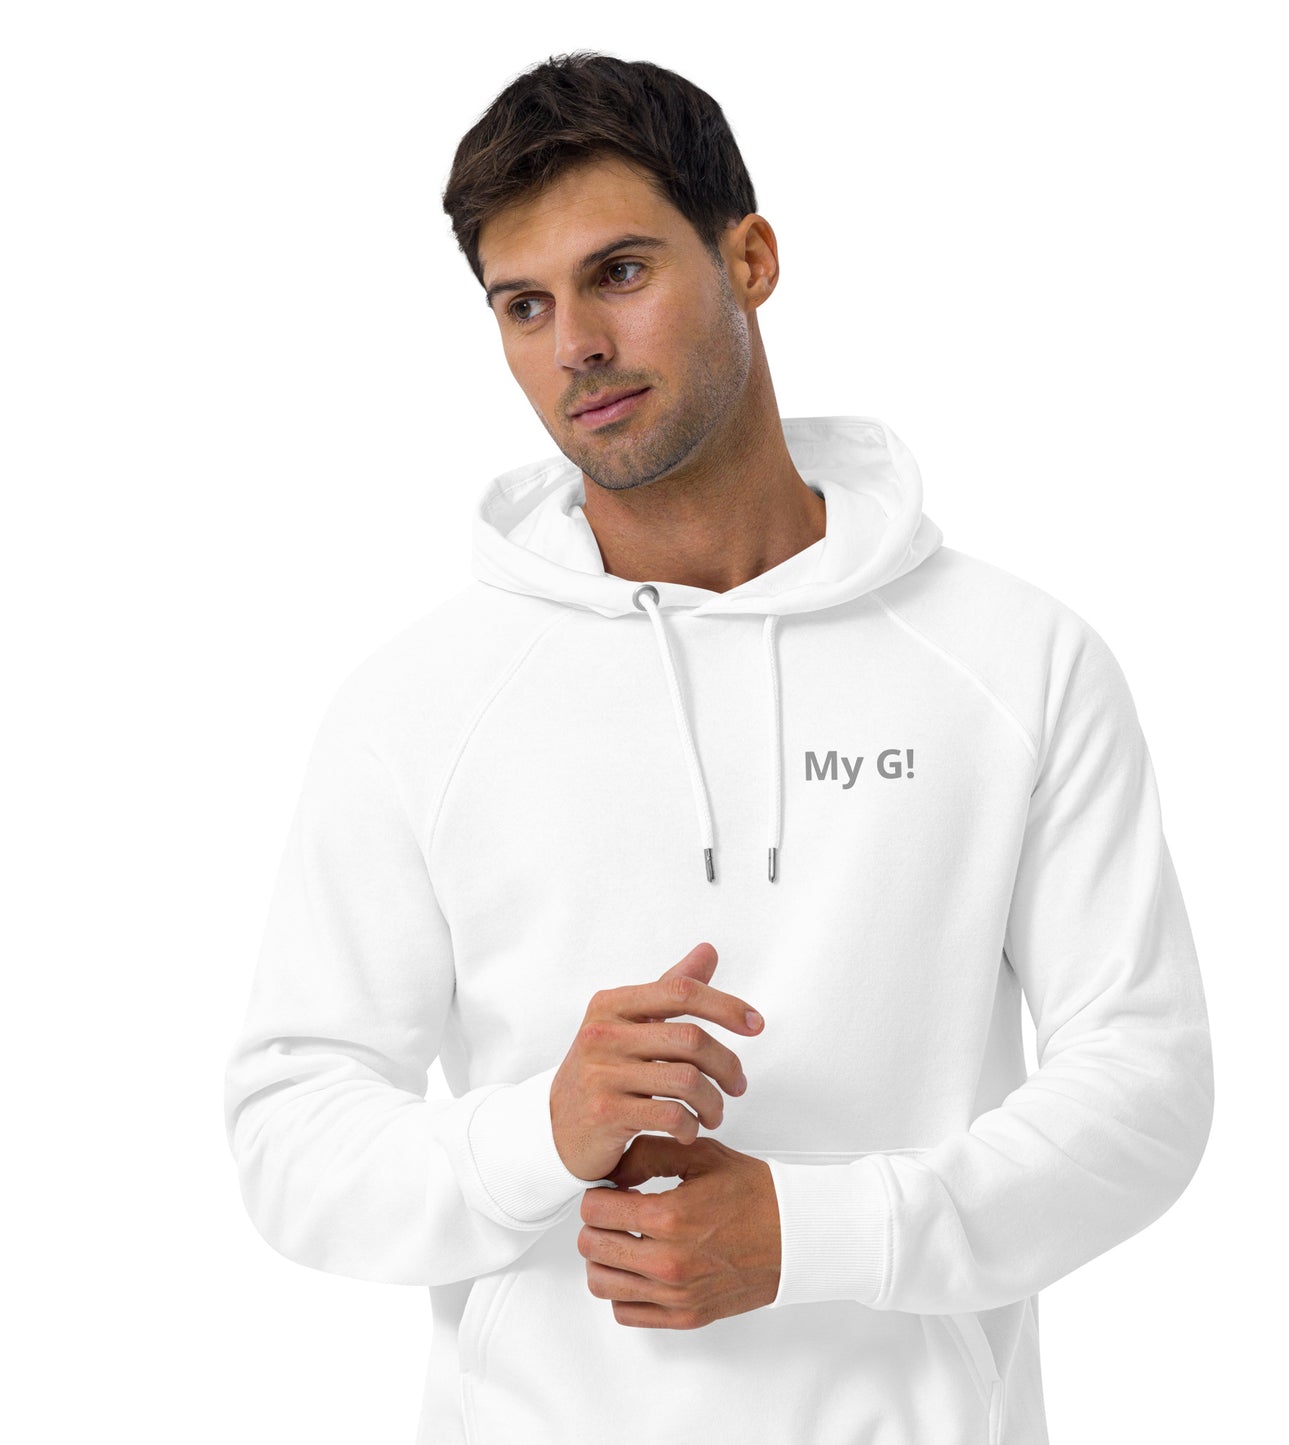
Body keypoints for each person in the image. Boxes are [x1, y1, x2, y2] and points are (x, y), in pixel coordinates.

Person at [221, 49, 1214, 1445]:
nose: (575, 343)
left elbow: (1144, 1086)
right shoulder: (418, 704)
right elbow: (290, 1137)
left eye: (619, 273)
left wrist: (820, 1233)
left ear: (749, 258)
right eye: (524, 304)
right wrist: (539, 1130)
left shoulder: (1013, 661)